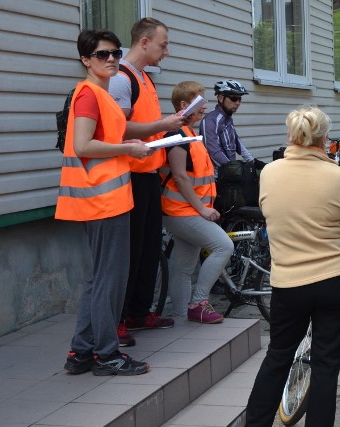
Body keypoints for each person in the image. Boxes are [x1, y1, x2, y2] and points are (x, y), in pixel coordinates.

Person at [242, 106, 340, 427]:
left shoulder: (270, 173)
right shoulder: (338, 176)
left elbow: (269, 213)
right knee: (325, 364)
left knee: (278, 356)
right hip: (334, 278)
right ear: (324, 137)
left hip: (288, 282)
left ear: (290, 135)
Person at [58, 29, 152, 376]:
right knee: (108, 280)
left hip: (106, 199)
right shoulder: (88, 96)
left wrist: (159, 128)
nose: (111, 59)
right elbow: (83, 145)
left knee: (101, 279)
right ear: (86, 59)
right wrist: (128, 149)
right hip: (101, 201)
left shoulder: (101, 93)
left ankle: (82, 353)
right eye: (102, 54)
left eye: (115, 52)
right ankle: (106, 355)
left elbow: (115, 133)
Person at [109, 17, 186, 347]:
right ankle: (119, 318)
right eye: (163, 44)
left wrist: (170, 132)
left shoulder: (145, 78)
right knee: (130, 250)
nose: (166, 51)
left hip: (149, 173)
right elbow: (119, 129)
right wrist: (165, 123)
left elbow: (146, 125)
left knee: (149, 247)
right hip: (129, 176)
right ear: (143, 42)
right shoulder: (122, 78)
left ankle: (139, 311)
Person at [160, 81, 235, 324]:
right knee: (224, 246)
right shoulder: (175, 135)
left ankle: (181, 316)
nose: (204, 108)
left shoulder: (190, 134)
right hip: (181, 212)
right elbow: (180, 176)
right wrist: (202, 209)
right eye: (200, 102)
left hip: (186, 211)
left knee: (182, 267)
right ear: (185, 105)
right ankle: (199, 303)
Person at [202, 79, 264, 169]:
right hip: (217, 177)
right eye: (234, 98)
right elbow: (213, 151)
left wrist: (252, 161)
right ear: (220, 98)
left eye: (239, 99)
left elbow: (236, 142)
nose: (238, 103)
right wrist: (234, 169)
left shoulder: (227, 118)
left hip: (231, 173)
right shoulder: (210, 120)